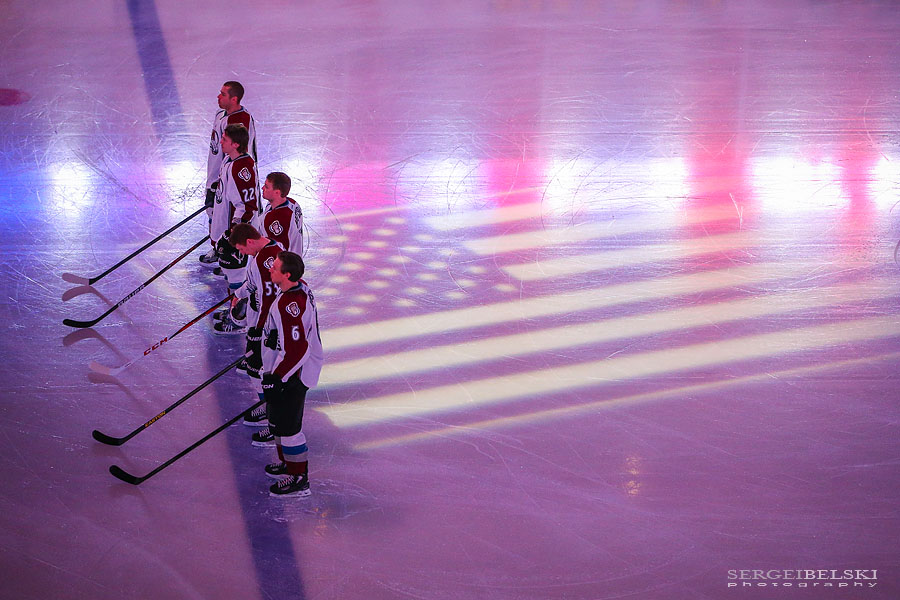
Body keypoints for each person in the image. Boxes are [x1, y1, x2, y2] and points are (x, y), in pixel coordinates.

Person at [260, 251, 323, 497]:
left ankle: (299, 478)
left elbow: (298, 348)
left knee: (289, 428)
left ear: (287, 275)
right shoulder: (296, 288)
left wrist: (279, 378)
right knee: (277, 422)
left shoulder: (289, 306)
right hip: (284, 370)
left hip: (294, 375)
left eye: (275, 268)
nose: (270, 270)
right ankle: (288, 462)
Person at [223, 223, 283, 442]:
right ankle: (267, 407)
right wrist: (238, 295)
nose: (240, 253)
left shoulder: (261, 261)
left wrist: (259, 330)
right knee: (256, 369)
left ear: (249, 242)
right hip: (263, 320)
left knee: (261, 371)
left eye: (240, 249)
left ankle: (271, 414)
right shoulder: (270, 247)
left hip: (267, 325)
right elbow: (253, 284)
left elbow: (268, 298)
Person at [210, 124, 261, 333]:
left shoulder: (243, 168)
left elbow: (249, 206)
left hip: (239, 232)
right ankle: (234, 311)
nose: (220, 141)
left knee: (237, 276)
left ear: (236, 144)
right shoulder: (229, 160)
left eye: (225, 139)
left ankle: (238, 319)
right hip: (229, 228)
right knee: (232, 275)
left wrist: (235, 232)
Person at [200, 81, 257, 265]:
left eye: (223, 94)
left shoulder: (240, 121)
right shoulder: (220, 114)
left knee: (230, 214)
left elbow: (238, 154)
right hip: (217, 173)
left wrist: (223, 177)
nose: (218, 96)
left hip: (229, 176)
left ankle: (233, 255)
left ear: (234, 98)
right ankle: (218, 248)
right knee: (213, 213)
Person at [261, 172, 304, 254]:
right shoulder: (293, 203)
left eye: (266, 187)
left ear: (277, 192)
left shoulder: (277, 220)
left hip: (287, 265)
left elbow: (277, 253)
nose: (262, 188)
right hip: (294, 259)